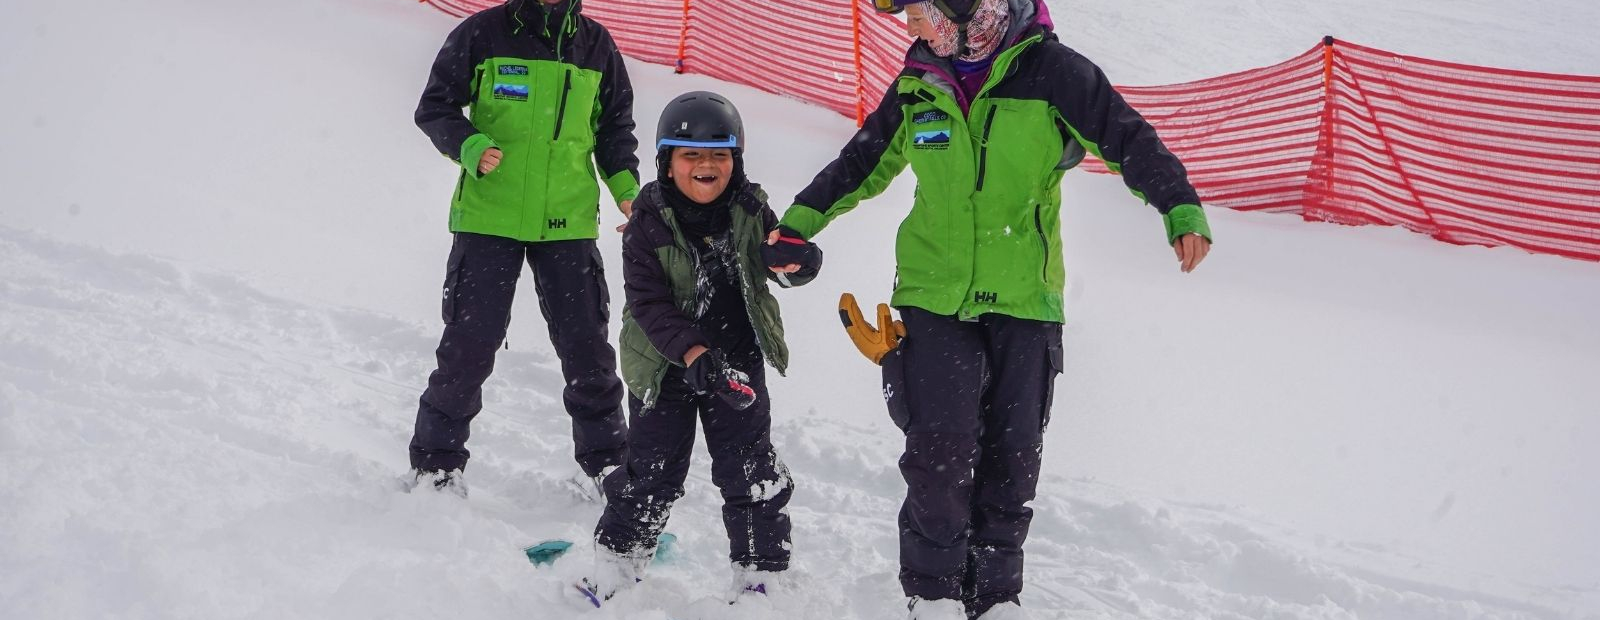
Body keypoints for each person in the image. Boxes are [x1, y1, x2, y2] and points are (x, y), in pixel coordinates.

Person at [772, 0, 1213, 618]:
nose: (910, 26)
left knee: (1012, 460)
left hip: (1024, 298)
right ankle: (933, 599)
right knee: (939, 455)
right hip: (933, 293)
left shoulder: (1054, 73)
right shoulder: (919, 82)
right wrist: (798, 224)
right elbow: (862, 162)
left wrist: (1178, 205)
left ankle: (994, 602)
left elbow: (1126, 136)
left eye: (920, 11)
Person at [574, 91, 823, 608]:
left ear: (736, 160)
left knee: (751, 468)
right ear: (667, 163)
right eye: (691, 155)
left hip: (738, 360)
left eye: (719, 155)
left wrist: (799, 263)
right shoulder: (648, 217)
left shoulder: (751, 207)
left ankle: (761, 575)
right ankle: (618, 563)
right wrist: (692, 353)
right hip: (664, 364)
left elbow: (775, 265)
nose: (706, 166)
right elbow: (647, 301)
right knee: (653, 471)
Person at [408, 0, 641, 497]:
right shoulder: (483, 33)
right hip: (490, 220)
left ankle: (605, 469)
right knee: (468, 350)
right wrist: (469, 146)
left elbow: (615, 129)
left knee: (588, 354)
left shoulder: (596, 45)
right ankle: (436, 468)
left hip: (568, 225)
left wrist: (626, 189)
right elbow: (435, 106)